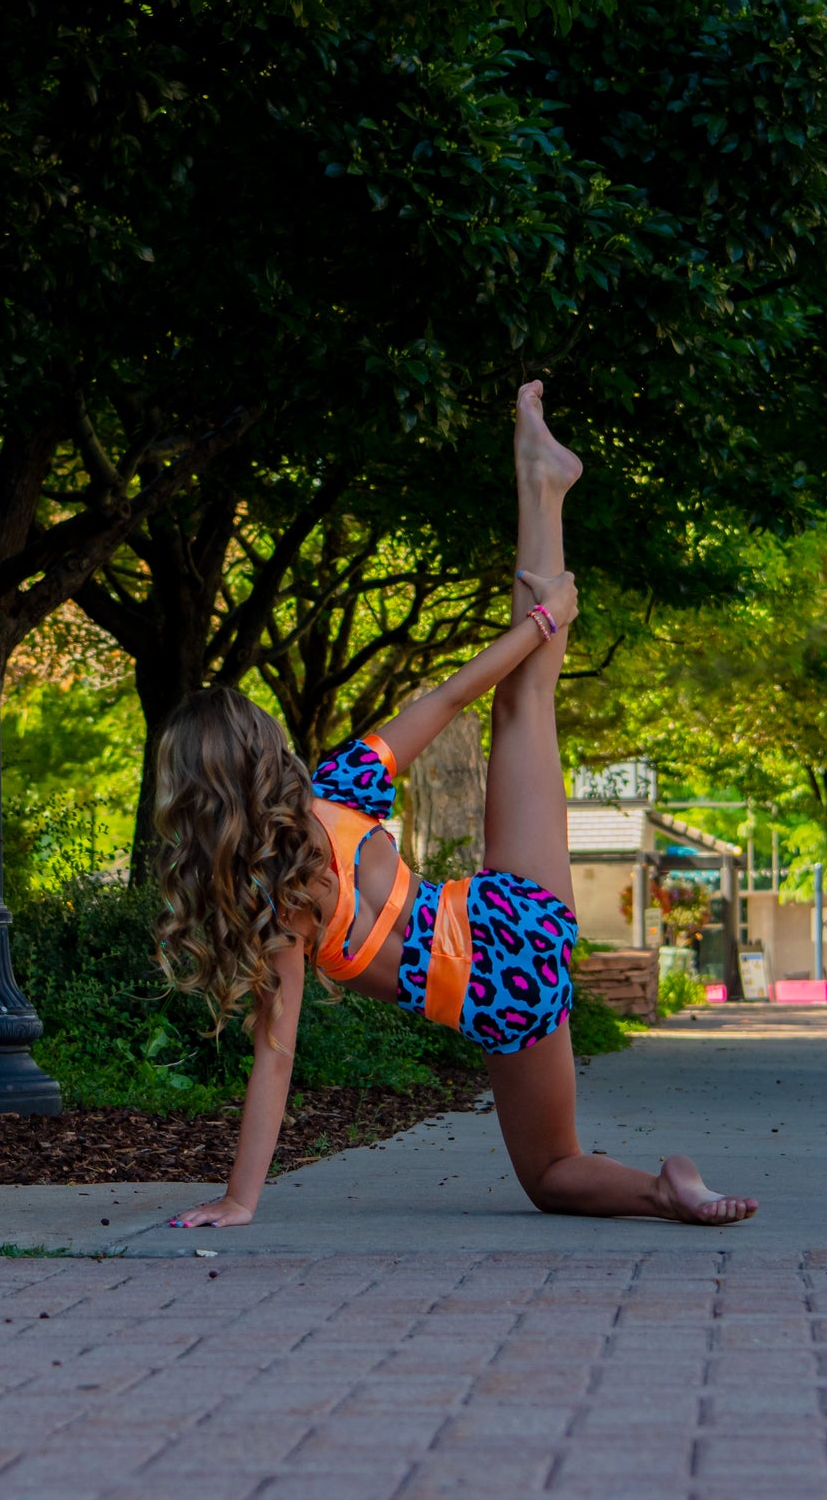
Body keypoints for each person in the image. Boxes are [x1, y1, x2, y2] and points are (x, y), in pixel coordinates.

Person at [155, 382, 758, 1231]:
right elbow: (446, 701)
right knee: (525, 702)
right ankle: (538, 487)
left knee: (553, 1173)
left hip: (499, 988)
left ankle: (665, 1191)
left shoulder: (278, 906)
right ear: (264, 753)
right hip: (511, 912)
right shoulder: (334, 789)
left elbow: (276, 1053)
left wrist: (239, 1199)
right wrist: (540, 622)